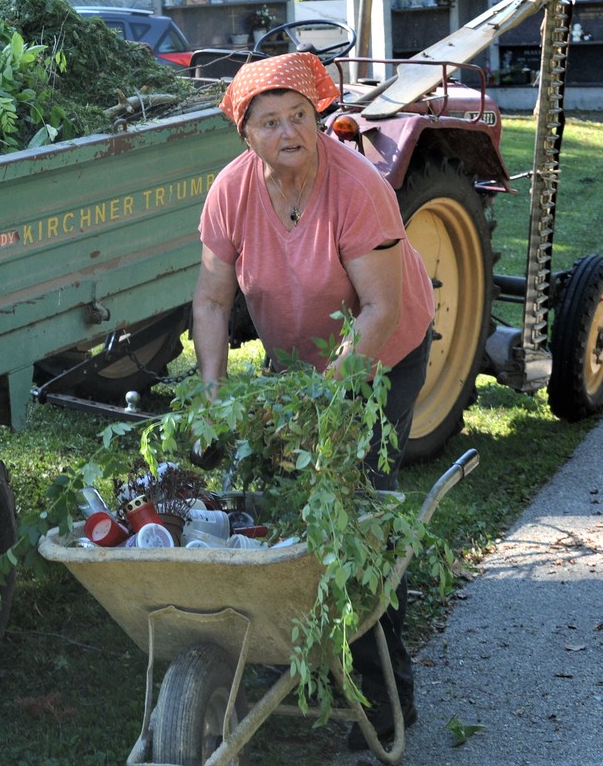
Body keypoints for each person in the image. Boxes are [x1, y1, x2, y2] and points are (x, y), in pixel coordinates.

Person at [192, 50, 435, 749]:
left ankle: (386, 694)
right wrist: (212, 392)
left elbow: (381, 310)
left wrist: (326, 403)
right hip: (297, 362)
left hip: (381, 355)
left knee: (359, 509)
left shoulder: (357, 186)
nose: (287, 132)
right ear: (245, 134)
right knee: (271, 500)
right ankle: (285, 656)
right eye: (269, 121)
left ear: (319, 118)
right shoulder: (231, 191)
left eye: (299, 115)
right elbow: (211, 301)